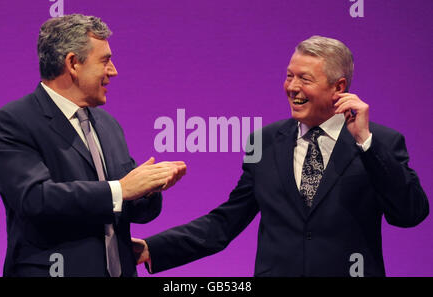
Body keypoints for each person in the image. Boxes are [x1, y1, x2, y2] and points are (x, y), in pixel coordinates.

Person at [132, 36, 429, 277]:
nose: (293, 87)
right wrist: (152, 249)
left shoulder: (379, 143)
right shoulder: (265, 143)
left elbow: (410, 214)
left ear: (338, 87)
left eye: (305, 79)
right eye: (289, 76)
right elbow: (225, 222)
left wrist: (365, 141)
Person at [0, 14, 186, 277]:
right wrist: (120, 189)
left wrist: (149, 189)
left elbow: (129, 208)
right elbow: (34, 199)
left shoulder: (108, 124)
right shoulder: (15, 121)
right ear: (72, 63)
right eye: (105, 60)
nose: (113, 71)